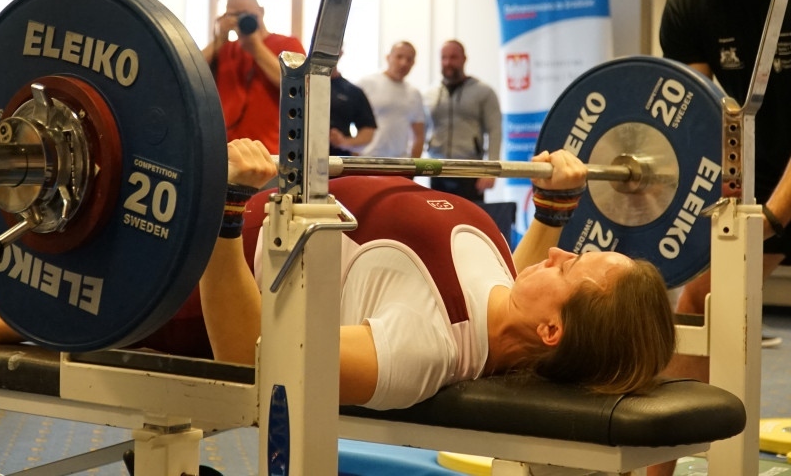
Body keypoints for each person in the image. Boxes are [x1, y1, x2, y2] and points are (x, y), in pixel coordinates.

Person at [199, 140, 676, 410]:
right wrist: (552, 208)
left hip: (201, 267)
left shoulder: (424, 346)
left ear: (552, 330)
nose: (557, 253)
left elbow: (251, 357)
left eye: (569, 268)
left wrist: (225, 207)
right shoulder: (507, 300)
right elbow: (509, 275)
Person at [653, 0, 791, 473]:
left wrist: (772, 219)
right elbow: (699, 125)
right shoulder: (691, 3)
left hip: (779, 192)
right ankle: (650, 462)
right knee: (700, 299)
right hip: (758, 180)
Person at [201, 0, 306, 152]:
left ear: (261, 11)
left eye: (245, 14)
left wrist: (256, 47)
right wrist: (219, 39)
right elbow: (190, 70)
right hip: (225, 150)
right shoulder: (225, 49)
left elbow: (298, 86)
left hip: (269, 152)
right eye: (233, 15)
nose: (240, 20)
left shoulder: (287, 44)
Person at [424, 40, 502, 202]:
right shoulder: (429, 93)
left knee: (470, 222)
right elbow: (420, 129)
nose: (448, 63)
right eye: (444, 58)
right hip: (437, 168)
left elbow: (495, 131)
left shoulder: (484, 92)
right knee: (438, 220)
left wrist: (491, 171)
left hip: (470, 169)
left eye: (453, 57)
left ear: (464, 59)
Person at [357, 41, 426, 158]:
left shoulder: (414, 93)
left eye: (409, 59)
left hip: (399, 163)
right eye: (399, 57)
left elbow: (419, 135)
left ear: (413, 63)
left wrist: (413, 169)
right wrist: (352, 150)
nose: (404, 63)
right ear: (388, 57)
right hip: (367, 159)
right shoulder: (367, 84)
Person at [329, 54, 377, 156]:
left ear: (340, 52)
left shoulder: (353, 91)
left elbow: (368, 130)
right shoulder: (299, 85)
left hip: (338, 161)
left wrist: (344, 142)